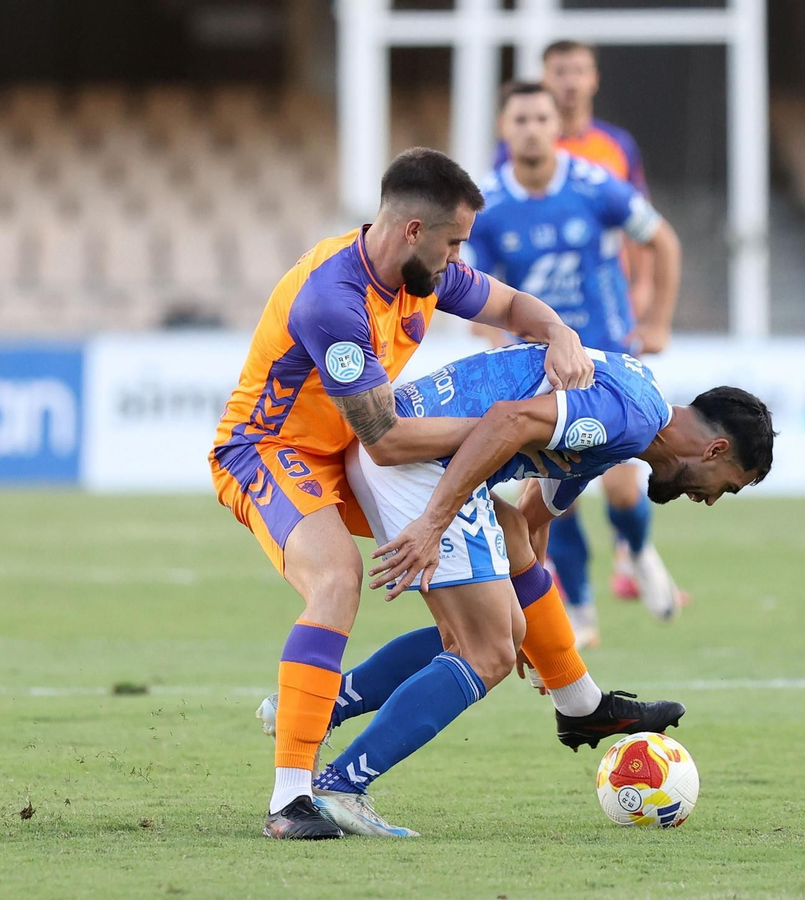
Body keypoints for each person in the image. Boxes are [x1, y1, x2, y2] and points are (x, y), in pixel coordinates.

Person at [209, 147, 598, 840]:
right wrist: (504, 431)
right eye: (455, 242)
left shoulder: (420, 274)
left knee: (501, 561)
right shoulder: (335, 300)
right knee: (338, 578)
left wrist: (559, 331)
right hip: (269, 452)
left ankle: (569, 692)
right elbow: (388, 438)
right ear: (413, 231)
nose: (460, 259)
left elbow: (509, 303)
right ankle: (290, 800)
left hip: (344, 455)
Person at [296, 341, 774, 836]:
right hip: (417, 462)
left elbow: (528, 521)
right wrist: (434, 522)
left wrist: (527, 624)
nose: (712, 500)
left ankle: (315, 707)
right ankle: (342, 785)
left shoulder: (629, 420)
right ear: (716, 450)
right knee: (487, 653)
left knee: (499, 627)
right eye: (728, 486)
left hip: (407, 455)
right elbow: (507, 421)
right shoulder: (632, 415)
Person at [472, 80, 684, 647]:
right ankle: (582, 610)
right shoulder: (487, 206)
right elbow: (474, 291)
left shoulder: (595, 187)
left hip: (609, 360)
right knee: (549, 492)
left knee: (619, 489)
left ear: (554, 126)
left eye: (541, 118)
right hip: (539, 369)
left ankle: (638, 551)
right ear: (504, 129)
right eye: (520, 119)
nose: (532, 128)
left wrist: (658, 320)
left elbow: (662, 239)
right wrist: (496, 352)